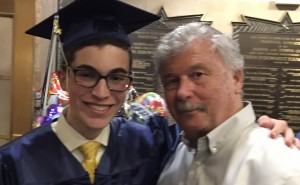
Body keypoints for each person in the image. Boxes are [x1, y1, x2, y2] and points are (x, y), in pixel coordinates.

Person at [0, 0, 296, 184]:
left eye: (116, 77)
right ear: (63, 79)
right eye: (87, 74)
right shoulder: (13, 162)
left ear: (128, 82)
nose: (102, 92)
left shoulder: (151, 142)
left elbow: (220, 135)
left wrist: (271, 130)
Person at [154, 22, 300, 185]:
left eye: (198, 75)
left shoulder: (283, 170)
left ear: (236, 79)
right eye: (172, 81)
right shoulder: (178, 156)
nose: (182, 92)